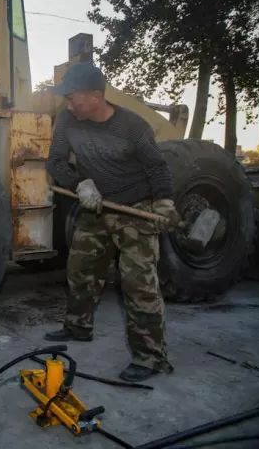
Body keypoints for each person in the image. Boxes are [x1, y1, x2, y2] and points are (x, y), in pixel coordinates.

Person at [44, 62, 180, 382]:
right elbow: (55, 161)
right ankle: (78, 326)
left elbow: (157, 168)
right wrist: (80, 182)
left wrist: (164, 202)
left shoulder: (133, 127)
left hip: (135, 208)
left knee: (138, 284)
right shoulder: (68, 119)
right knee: (80, 269)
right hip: (96, 206)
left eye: (72, 96)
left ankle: (150, 357)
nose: (67, 103)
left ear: (95, 95)